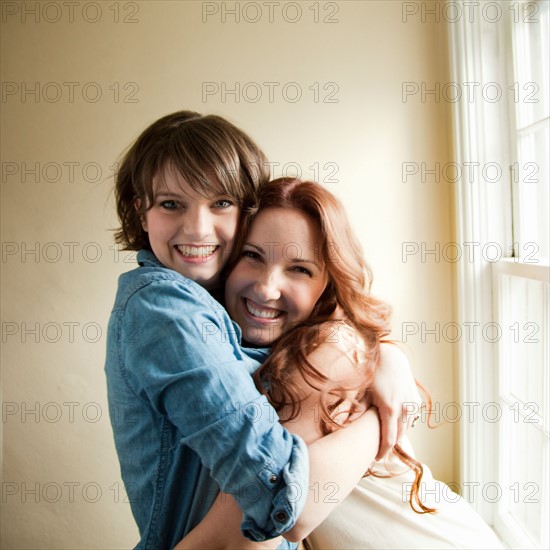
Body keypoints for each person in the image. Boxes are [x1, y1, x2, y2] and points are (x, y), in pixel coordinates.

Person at [105, 112, 419, 550]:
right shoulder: (167, 308)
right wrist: (384, 420)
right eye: (171, 203)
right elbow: (278, 494)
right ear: (141, 211)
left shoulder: (221, 302)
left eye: (220, 203)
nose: (198, 228)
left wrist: (387, 355)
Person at [176, 177, 504, 549]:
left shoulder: (325, 352)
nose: (267, 287)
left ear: (327, 285)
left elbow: (272, 520)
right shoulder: (266, 353)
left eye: (300, 269)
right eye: (252, 256)